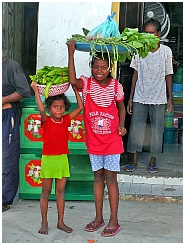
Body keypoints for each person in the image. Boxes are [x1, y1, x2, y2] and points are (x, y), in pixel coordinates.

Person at [67, 40, 127, 237]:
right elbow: (72, 80)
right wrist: (71, 53)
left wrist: (121, 125)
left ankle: (114, 220)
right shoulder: (87, 84)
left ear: (110, 68)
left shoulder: (116, 86)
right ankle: (99, 218)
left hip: (111, 142)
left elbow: (121, 108)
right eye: (95, 66)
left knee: (111, 179)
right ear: (91, 67)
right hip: (94, 142)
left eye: (103, 67)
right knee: (98, 178)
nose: (99, 70)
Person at [31, 81, 83, 235]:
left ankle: (61, 222)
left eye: (61, 107)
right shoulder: (46, 120)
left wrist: (75, 90)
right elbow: (40, 108)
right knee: (46, 193)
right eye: (55, 107)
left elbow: (80, 108)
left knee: (60, 192)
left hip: (62, 159)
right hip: (48, 159)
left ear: (65, 107)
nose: (59, 109)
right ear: (49, 108)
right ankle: (44, 222)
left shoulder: (66, 119)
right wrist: (35, 90)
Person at [124, 18, 174, 173]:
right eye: (146, 33)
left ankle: (153, 161)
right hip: (140, 96)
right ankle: (134, 160)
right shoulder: (140, 50)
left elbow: (168, 74)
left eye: (152, 33)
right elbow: (135, 74)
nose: (149, 36)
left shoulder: (166, 52)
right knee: (135, 129)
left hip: (159, 98)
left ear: (159, 34)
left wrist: (170, 99)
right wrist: (131, 98)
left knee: (157, 131)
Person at [2, 56, 31, 212]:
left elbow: (24, 91)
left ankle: (4, 199)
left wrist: (3, 99)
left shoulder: (11, 67)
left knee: (8, 157)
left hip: (7, 116)